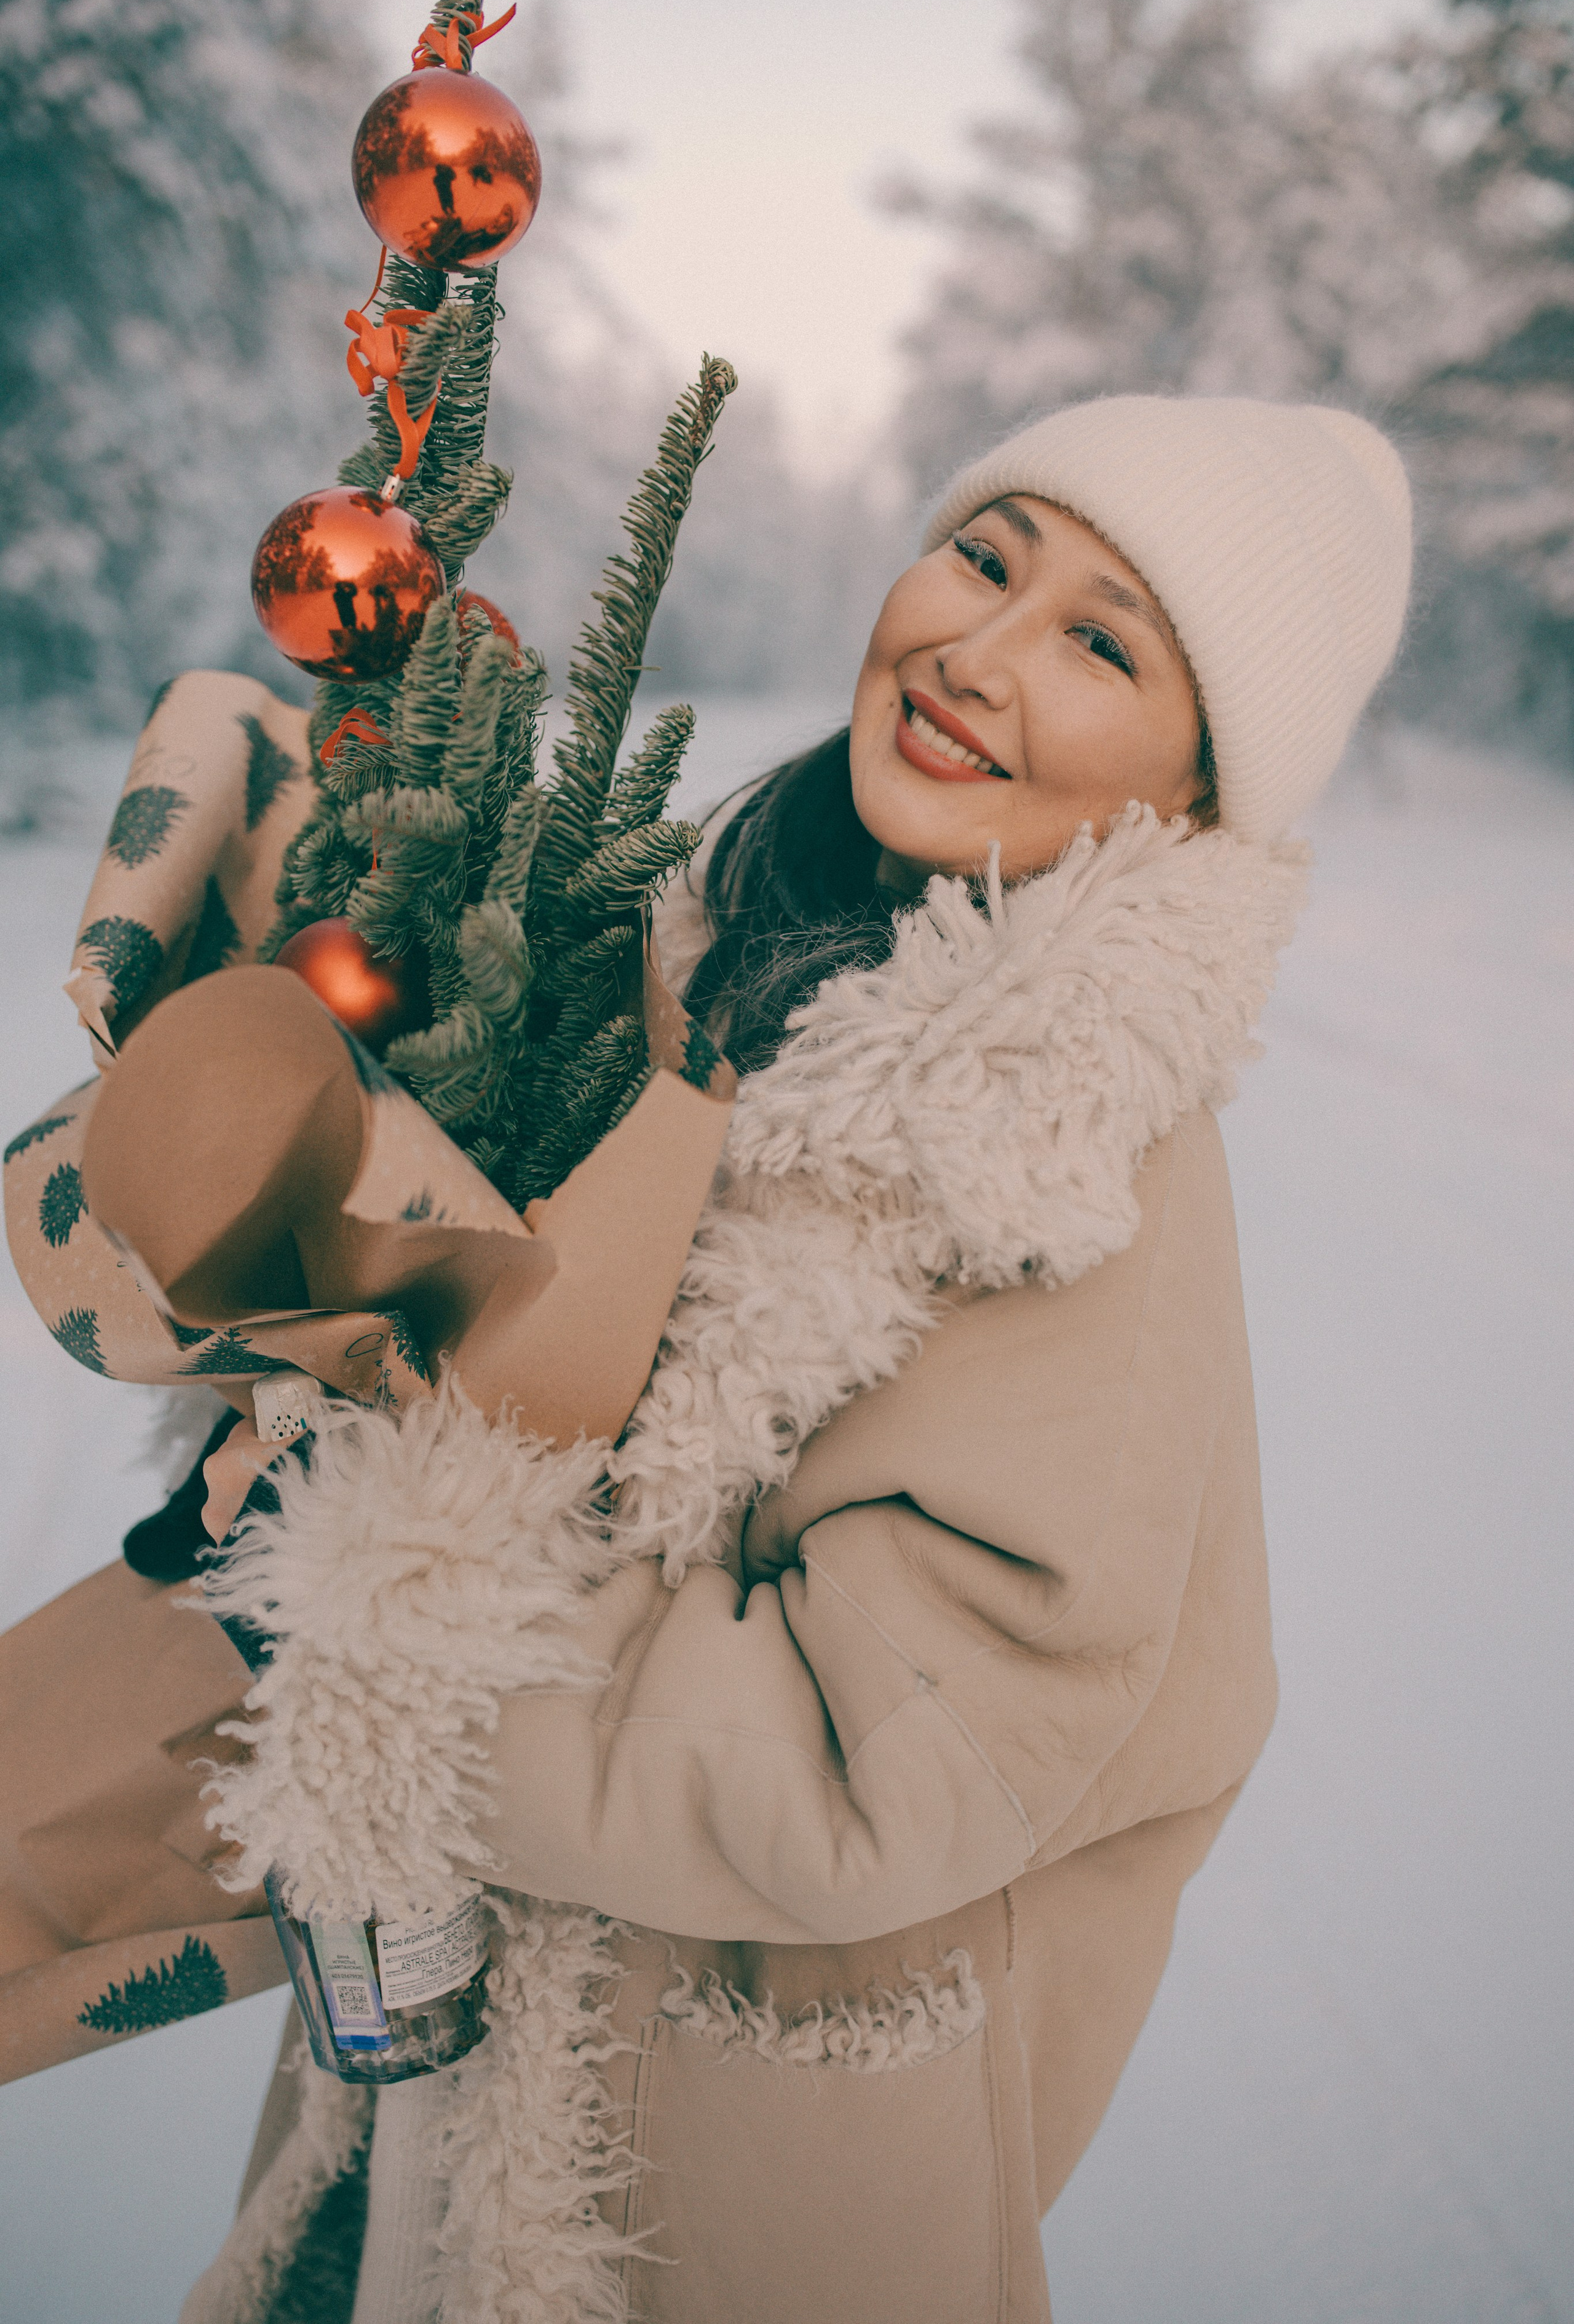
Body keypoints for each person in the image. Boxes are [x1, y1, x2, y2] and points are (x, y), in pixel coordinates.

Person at [184, 392, 1412, 2324]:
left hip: (716, 2179)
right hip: (436, 2067)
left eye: (1101, 642)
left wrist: (398, 1637)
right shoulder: (681, 935)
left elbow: (883, 1758)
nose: (978, 655)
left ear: (1192, 790)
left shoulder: (1074, 1149)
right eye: (985, 557)